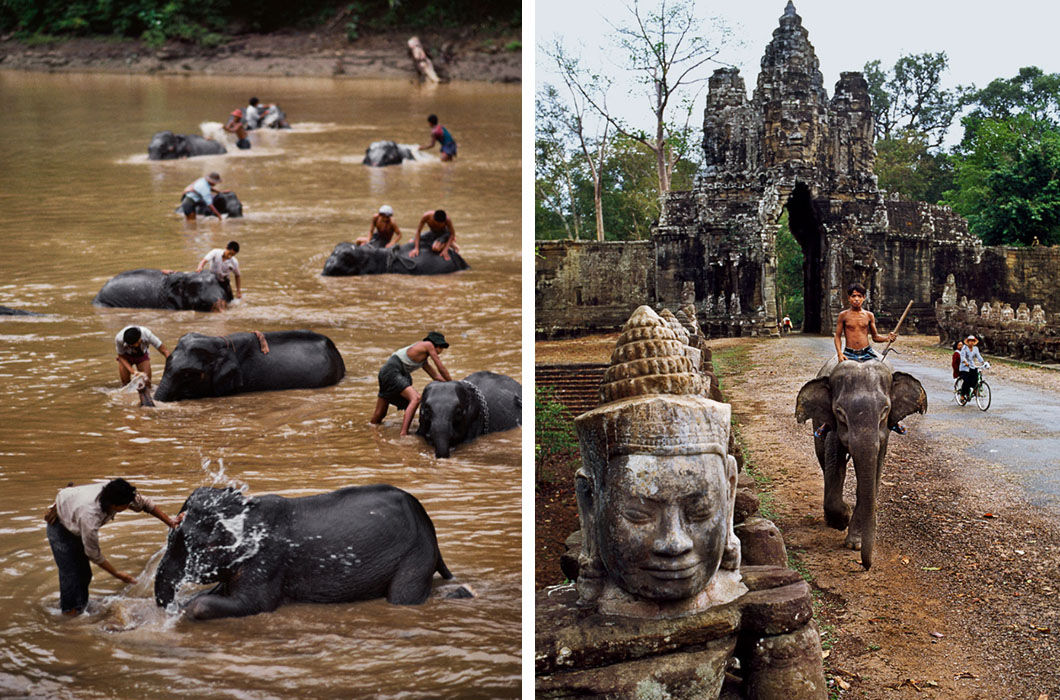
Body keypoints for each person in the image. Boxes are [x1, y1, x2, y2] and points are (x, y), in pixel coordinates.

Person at [45, 478, 181, 616]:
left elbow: (145, 503)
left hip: (71, 507)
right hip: (60, 527)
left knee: (85, 574)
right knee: (72, 574)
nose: (129, 506)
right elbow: (93, 553)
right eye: (126, 505)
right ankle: (69, 616)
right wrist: (117, 574)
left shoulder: (118, 492)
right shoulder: (90, 516)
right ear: (114, 505)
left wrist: (170, 522)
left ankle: (80, 607)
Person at [371, 332, 452, 437]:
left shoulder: (423, 360)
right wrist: (453, 382)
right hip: (393, 371)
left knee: (380, 414)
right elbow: (440, 368)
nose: (441, 351)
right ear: (437, 345)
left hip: (387, 372)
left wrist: (448, 384)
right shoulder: (428, 345)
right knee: (416, 398)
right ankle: (404, 433)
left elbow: (436, 376)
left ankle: (371, 430)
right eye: (442, 348)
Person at [834, 282, 896, 363]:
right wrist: (839, 353)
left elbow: (875, 337)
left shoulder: (869, 315)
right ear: (849, 298)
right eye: (853, 296)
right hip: (849, 353)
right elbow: (837, 336)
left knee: (880, 370)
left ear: (864, 297)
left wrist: (887, 338)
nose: (856, 299)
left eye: (859, 296)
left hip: (867, 352)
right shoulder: (843, 315)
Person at [196, 241, 242, 305]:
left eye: (233, 255)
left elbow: (237, 276)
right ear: (226, 248)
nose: (230, 256)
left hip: (224, 282)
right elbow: (204, 261)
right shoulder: (215, 252)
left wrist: (238, 291)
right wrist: (200, 267)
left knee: (229, 303)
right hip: (212, 281)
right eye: (229, 253)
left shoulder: (234, 262)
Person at [958, 334, 988, 403]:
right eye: (970, 341)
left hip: (972, 365)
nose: (971, 342)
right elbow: (962, 357)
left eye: (973, 341)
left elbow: (978, 356)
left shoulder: (975, 349)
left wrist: (983, 362)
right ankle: (962, 395)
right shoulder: (964, 348)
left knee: (975, 378)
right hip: (964, 367)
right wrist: (965, 362)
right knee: (966, 381)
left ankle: (974, 390)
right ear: (967, 342)